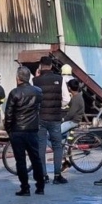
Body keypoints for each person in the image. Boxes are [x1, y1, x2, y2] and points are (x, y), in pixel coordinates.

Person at [4, 66, 44, 196]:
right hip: (32, 130)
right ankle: (40, 186)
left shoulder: (14, 93)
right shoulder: (38, 92)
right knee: (36, 158)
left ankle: (25, 187)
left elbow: (9, 114)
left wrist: (9, 131)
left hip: (18, 131)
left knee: (20, 161)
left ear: (18, 78)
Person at [33, 56, 67, 184]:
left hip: (40, 118)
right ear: (52, 66)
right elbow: (66, 99)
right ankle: (57, 176)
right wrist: (58, 106)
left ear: (40, 66)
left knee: (41, 147)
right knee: (57, 146)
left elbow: (33, 99)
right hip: (55, 118)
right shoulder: (60, 79)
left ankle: (43, 176)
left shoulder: (35, 81)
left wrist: (36, 76)